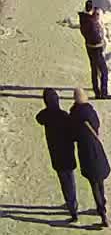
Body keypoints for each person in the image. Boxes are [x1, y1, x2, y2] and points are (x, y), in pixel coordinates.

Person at [37, 89, 81, 222]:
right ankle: (72, 205)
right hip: (67, 153)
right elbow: (73, 134)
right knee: (70, 181)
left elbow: (38, 118)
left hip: (56, 155)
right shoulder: (64, 116)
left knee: (64, 182)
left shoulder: (45, 115)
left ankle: (71, 206)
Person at [70, 89, 110, 226]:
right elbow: (97, 125)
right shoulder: (91, 111)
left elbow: (73, 134)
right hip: (96, 147)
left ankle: (102, 211)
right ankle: (103, 202)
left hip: (85, 151)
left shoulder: (74, 113)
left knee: (93, 183)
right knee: (100, 180)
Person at [78, 0, 111, 100]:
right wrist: (101, 41)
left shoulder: (84, 18)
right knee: (103, 71)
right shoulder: (91, 22)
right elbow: (95, 37)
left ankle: (97, 91)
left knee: (94, 69)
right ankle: (103, 93)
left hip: (89, 47)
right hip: (95, 48)